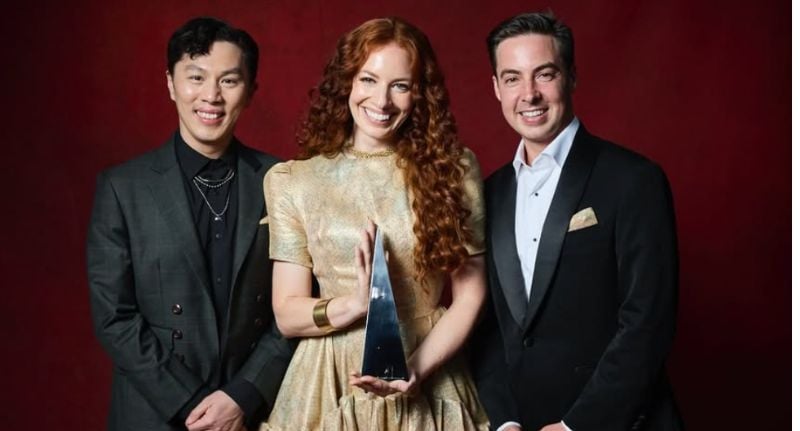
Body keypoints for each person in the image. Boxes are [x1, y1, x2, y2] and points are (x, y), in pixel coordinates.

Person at [260, 17, 489, 431]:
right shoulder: (294, 180)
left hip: (428, 365)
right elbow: (286, 313)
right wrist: (352, 305)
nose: (381, 101)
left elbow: (470, 295)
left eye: (400, 85)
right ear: (346, 81)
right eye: (368, 79)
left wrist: (414, 370)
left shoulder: (453, 170)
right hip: (328, 379)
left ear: (419, 94)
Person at [470, 11, 684, 431]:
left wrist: (577, 425)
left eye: (543, 74)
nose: (528, 94)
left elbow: (647, 321)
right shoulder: (488, 193)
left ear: (571, 76)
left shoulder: (633, 179)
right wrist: (504, 420)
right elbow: (489, 326)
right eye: (512, 78)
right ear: (496, 88)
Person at [87, 17, 293, 431]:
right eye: (195, 77)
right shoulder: (123, 188)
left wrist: (242, 396)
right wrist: (195, 405)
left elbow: (294, 307)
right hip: (152, 412)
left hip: (254, 413)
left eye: (229, 81)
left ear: (251, 91)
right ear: (170, 83)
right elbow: (115, 316)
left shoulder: (284, 181)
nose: (211, 96)